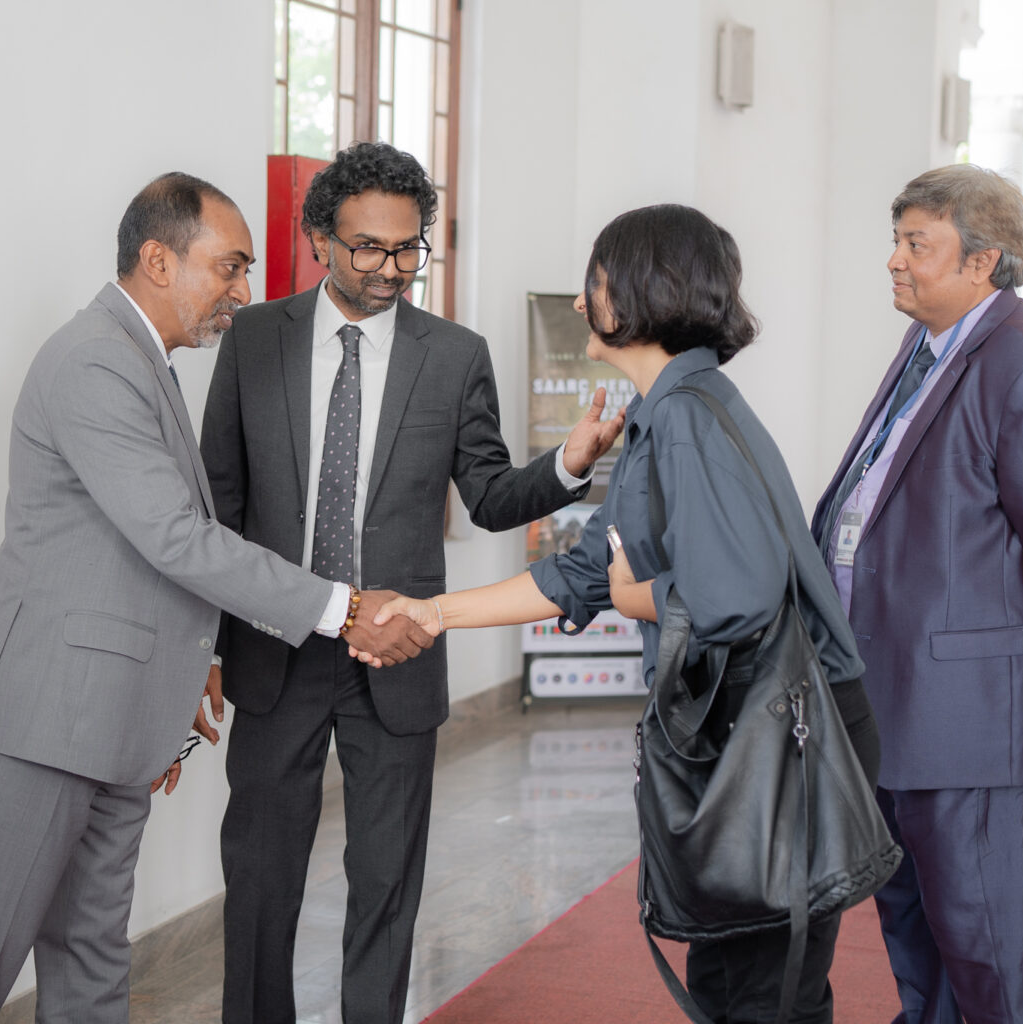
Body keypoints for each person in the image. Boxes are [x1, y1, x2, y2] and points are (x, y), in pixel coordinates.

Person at [0, 172, 432, 1024]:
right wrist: (346, 608)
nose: (244, 292)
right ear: (157, 260)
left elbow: (143, 556)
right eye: (229, 267)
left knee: (91, 962)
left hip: (114, 723)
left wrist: (182, 675)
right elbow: (177, 539)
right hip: (49, 720)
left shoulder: (145, 361)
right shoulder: (94, 360)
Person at [367, 203, 879, 1023]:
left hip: (779, 733)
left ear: (643, 291)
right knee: (732, 981)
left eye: (595, 281)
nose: (580, 301)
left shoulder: (685, 418)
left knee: (762, 995)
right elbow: (583, 573)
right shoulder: (668, 409)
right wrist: (433, 613)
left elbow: (734, 599)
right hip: (752, 725)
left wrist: (635, 593)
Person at [200, 141, 623, 1024]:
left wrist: (570, 465)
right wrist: (205, 646)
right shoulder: (255, 341)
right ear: (320, 239)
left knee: (386, 882)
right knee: (261, 878)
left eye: (407, 249)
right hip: (276, 649)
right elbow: (221, 509)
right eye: (368, 248)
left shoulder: (455, 355)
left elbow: (492, 495)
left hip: (398, 653)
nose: (390, 269)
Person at [810, 164, 1023, 1024]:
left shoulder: (1022, 368)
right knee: (916, 926)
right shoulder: (929, 346)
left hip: (973, 713)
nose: (895, 260)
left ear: (983, 262)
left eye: (918, 244)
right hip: (893, 697)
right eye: (897, 240)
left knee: (984, 940)